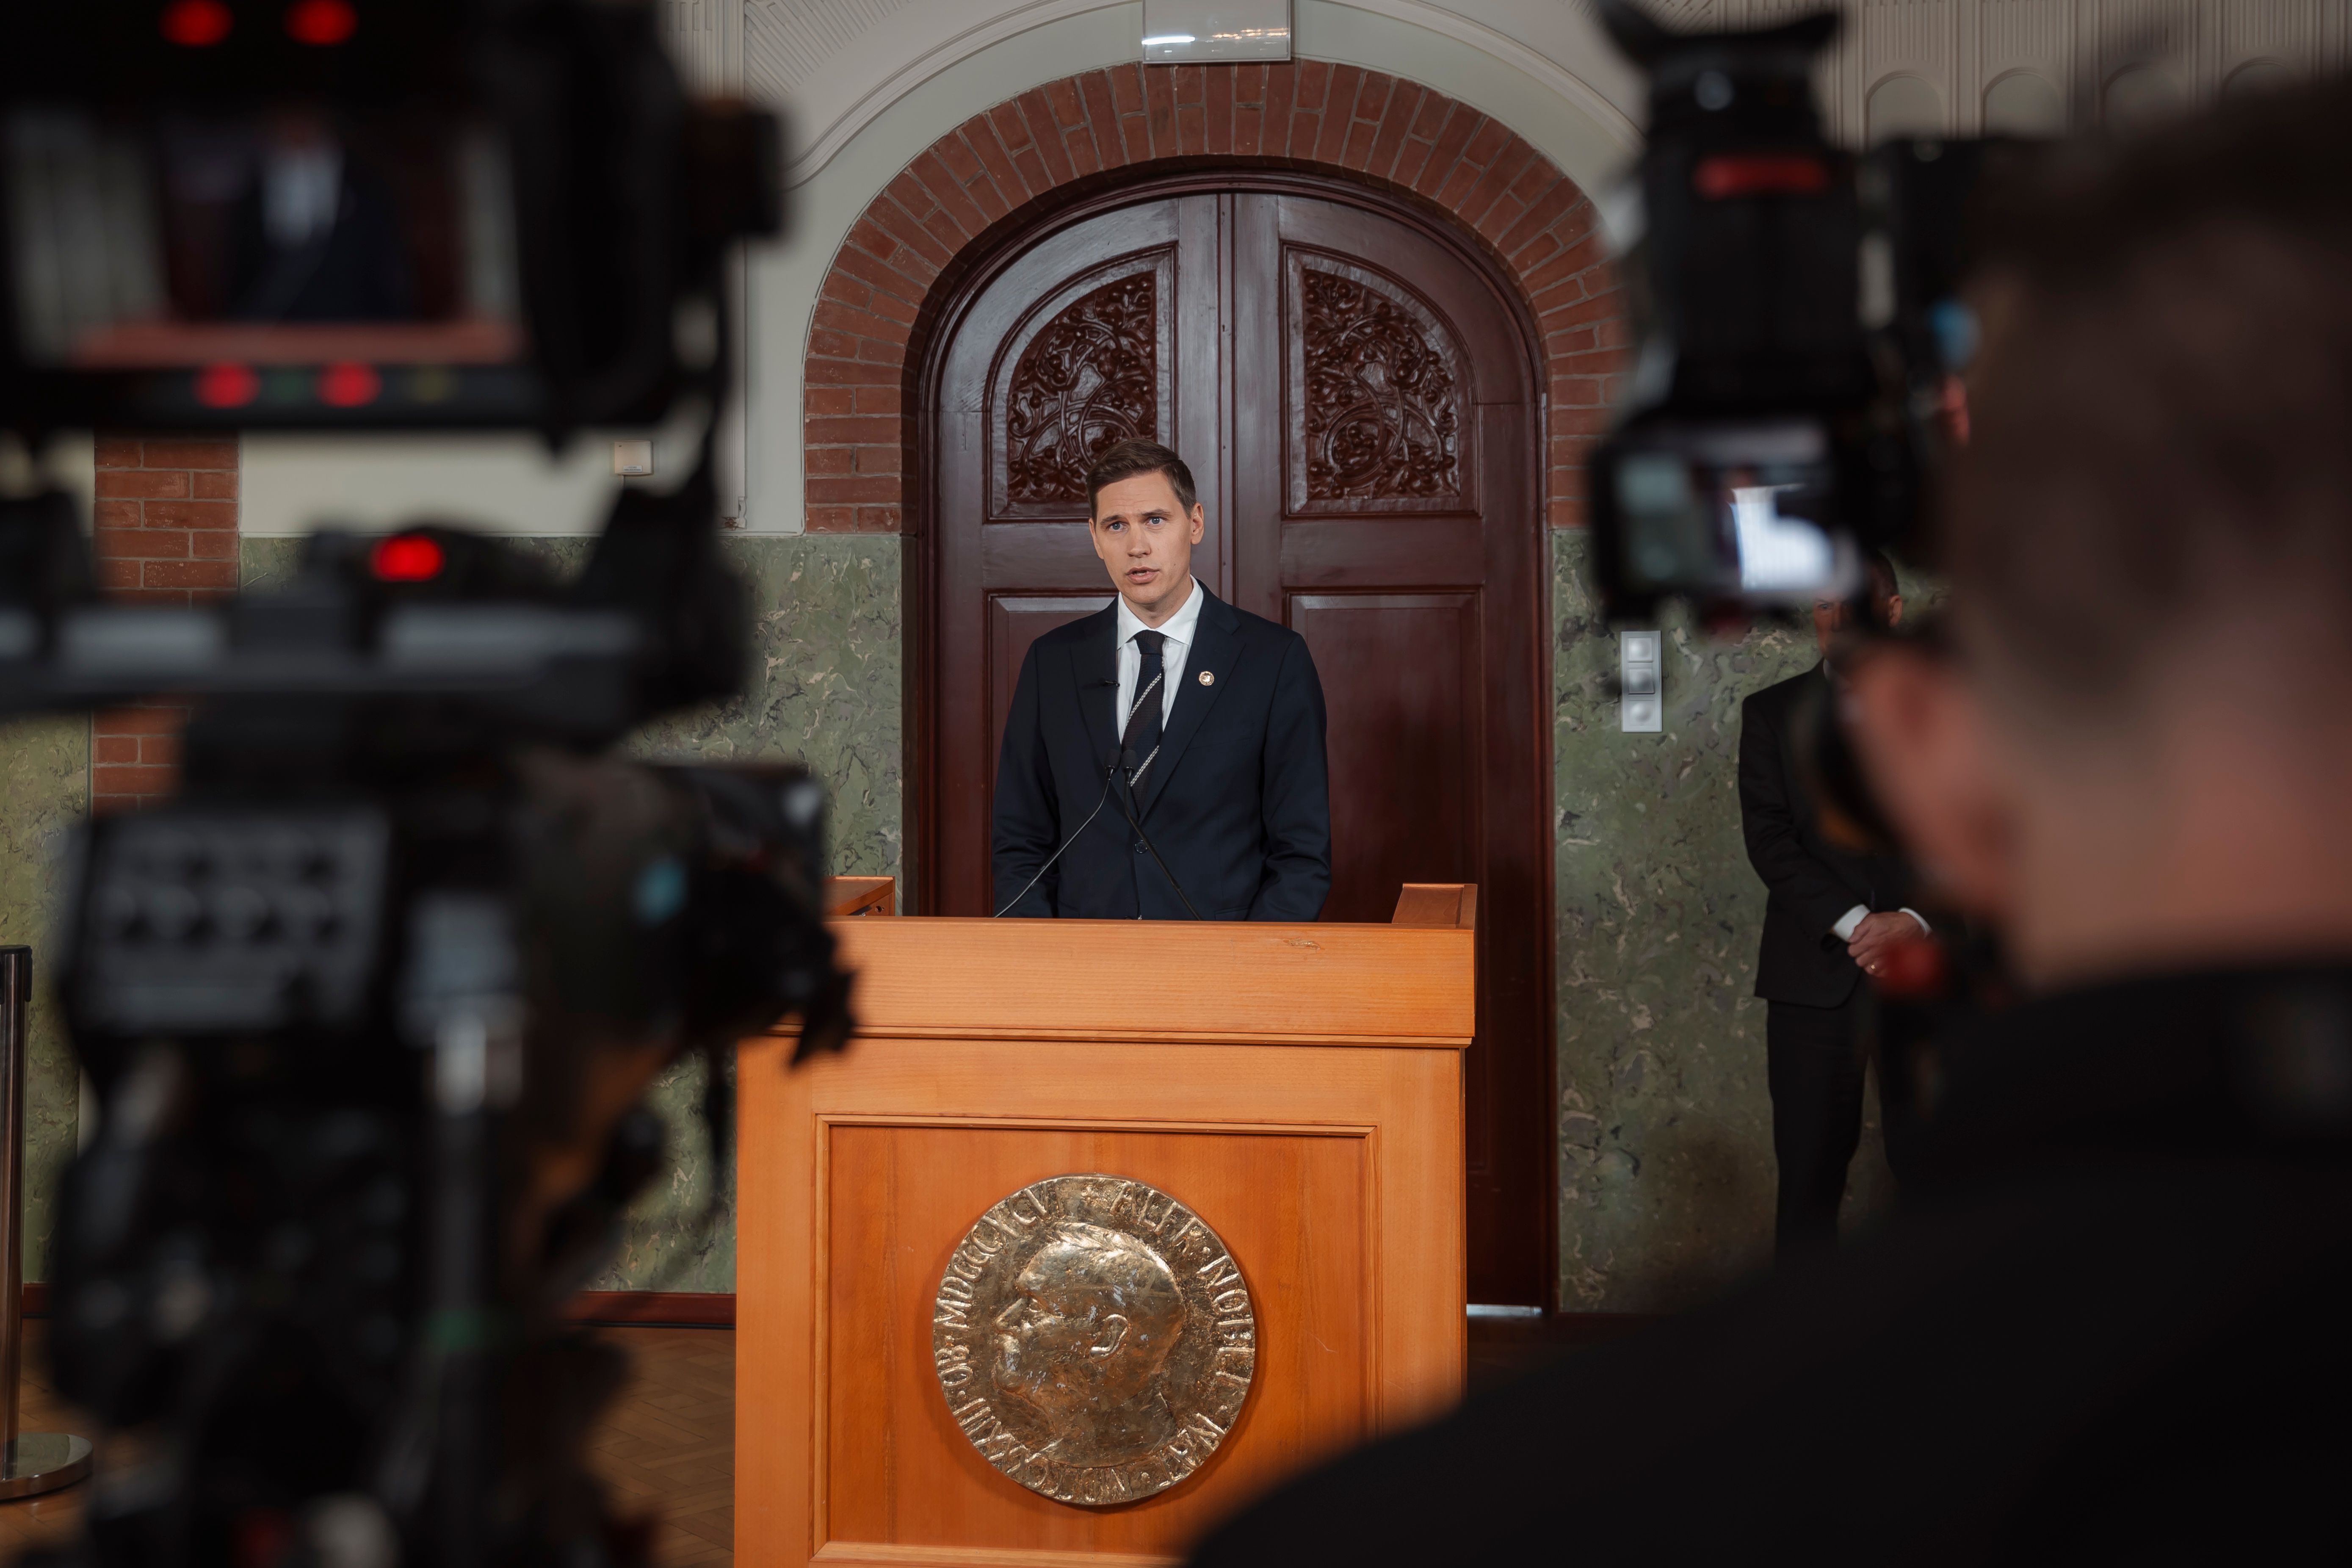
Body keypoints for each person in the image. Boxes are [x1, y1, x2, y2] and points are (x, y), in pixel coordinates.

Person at [1188, 78, 2352, 1563]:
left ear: (1933, 757)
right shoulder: (1782, 730)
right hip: (1818, 974)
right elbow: (1780, 848)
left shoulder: (1436, 1526)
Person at [992, 439, 1331, 920]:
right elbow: (1020, 837)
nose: (1137, 546)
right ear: (1094, 538)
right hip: (1081, 965)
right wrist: (1037, 957)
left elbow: (1301, 850)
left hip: (1223, 966)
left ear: (1194, 524)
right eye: (1116, 525)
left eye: (1155, 520)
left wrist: (1257, 967)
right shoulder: (1053, 662)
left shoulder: (1272, 660)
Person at [1737, 552, 1926, 1253]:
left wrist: (1911, 920)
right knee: (1809, 1181)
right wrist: (1858, 926)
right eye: (1823, 605)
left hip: (1930, 972)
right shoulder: (1770, 714)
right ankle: (1797, 1348)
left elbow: (1974, 827)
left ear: (1895, 611)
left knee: (1941, 1173)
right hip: (1812, 978)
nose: (1837, 620)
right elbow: (1771, 840)